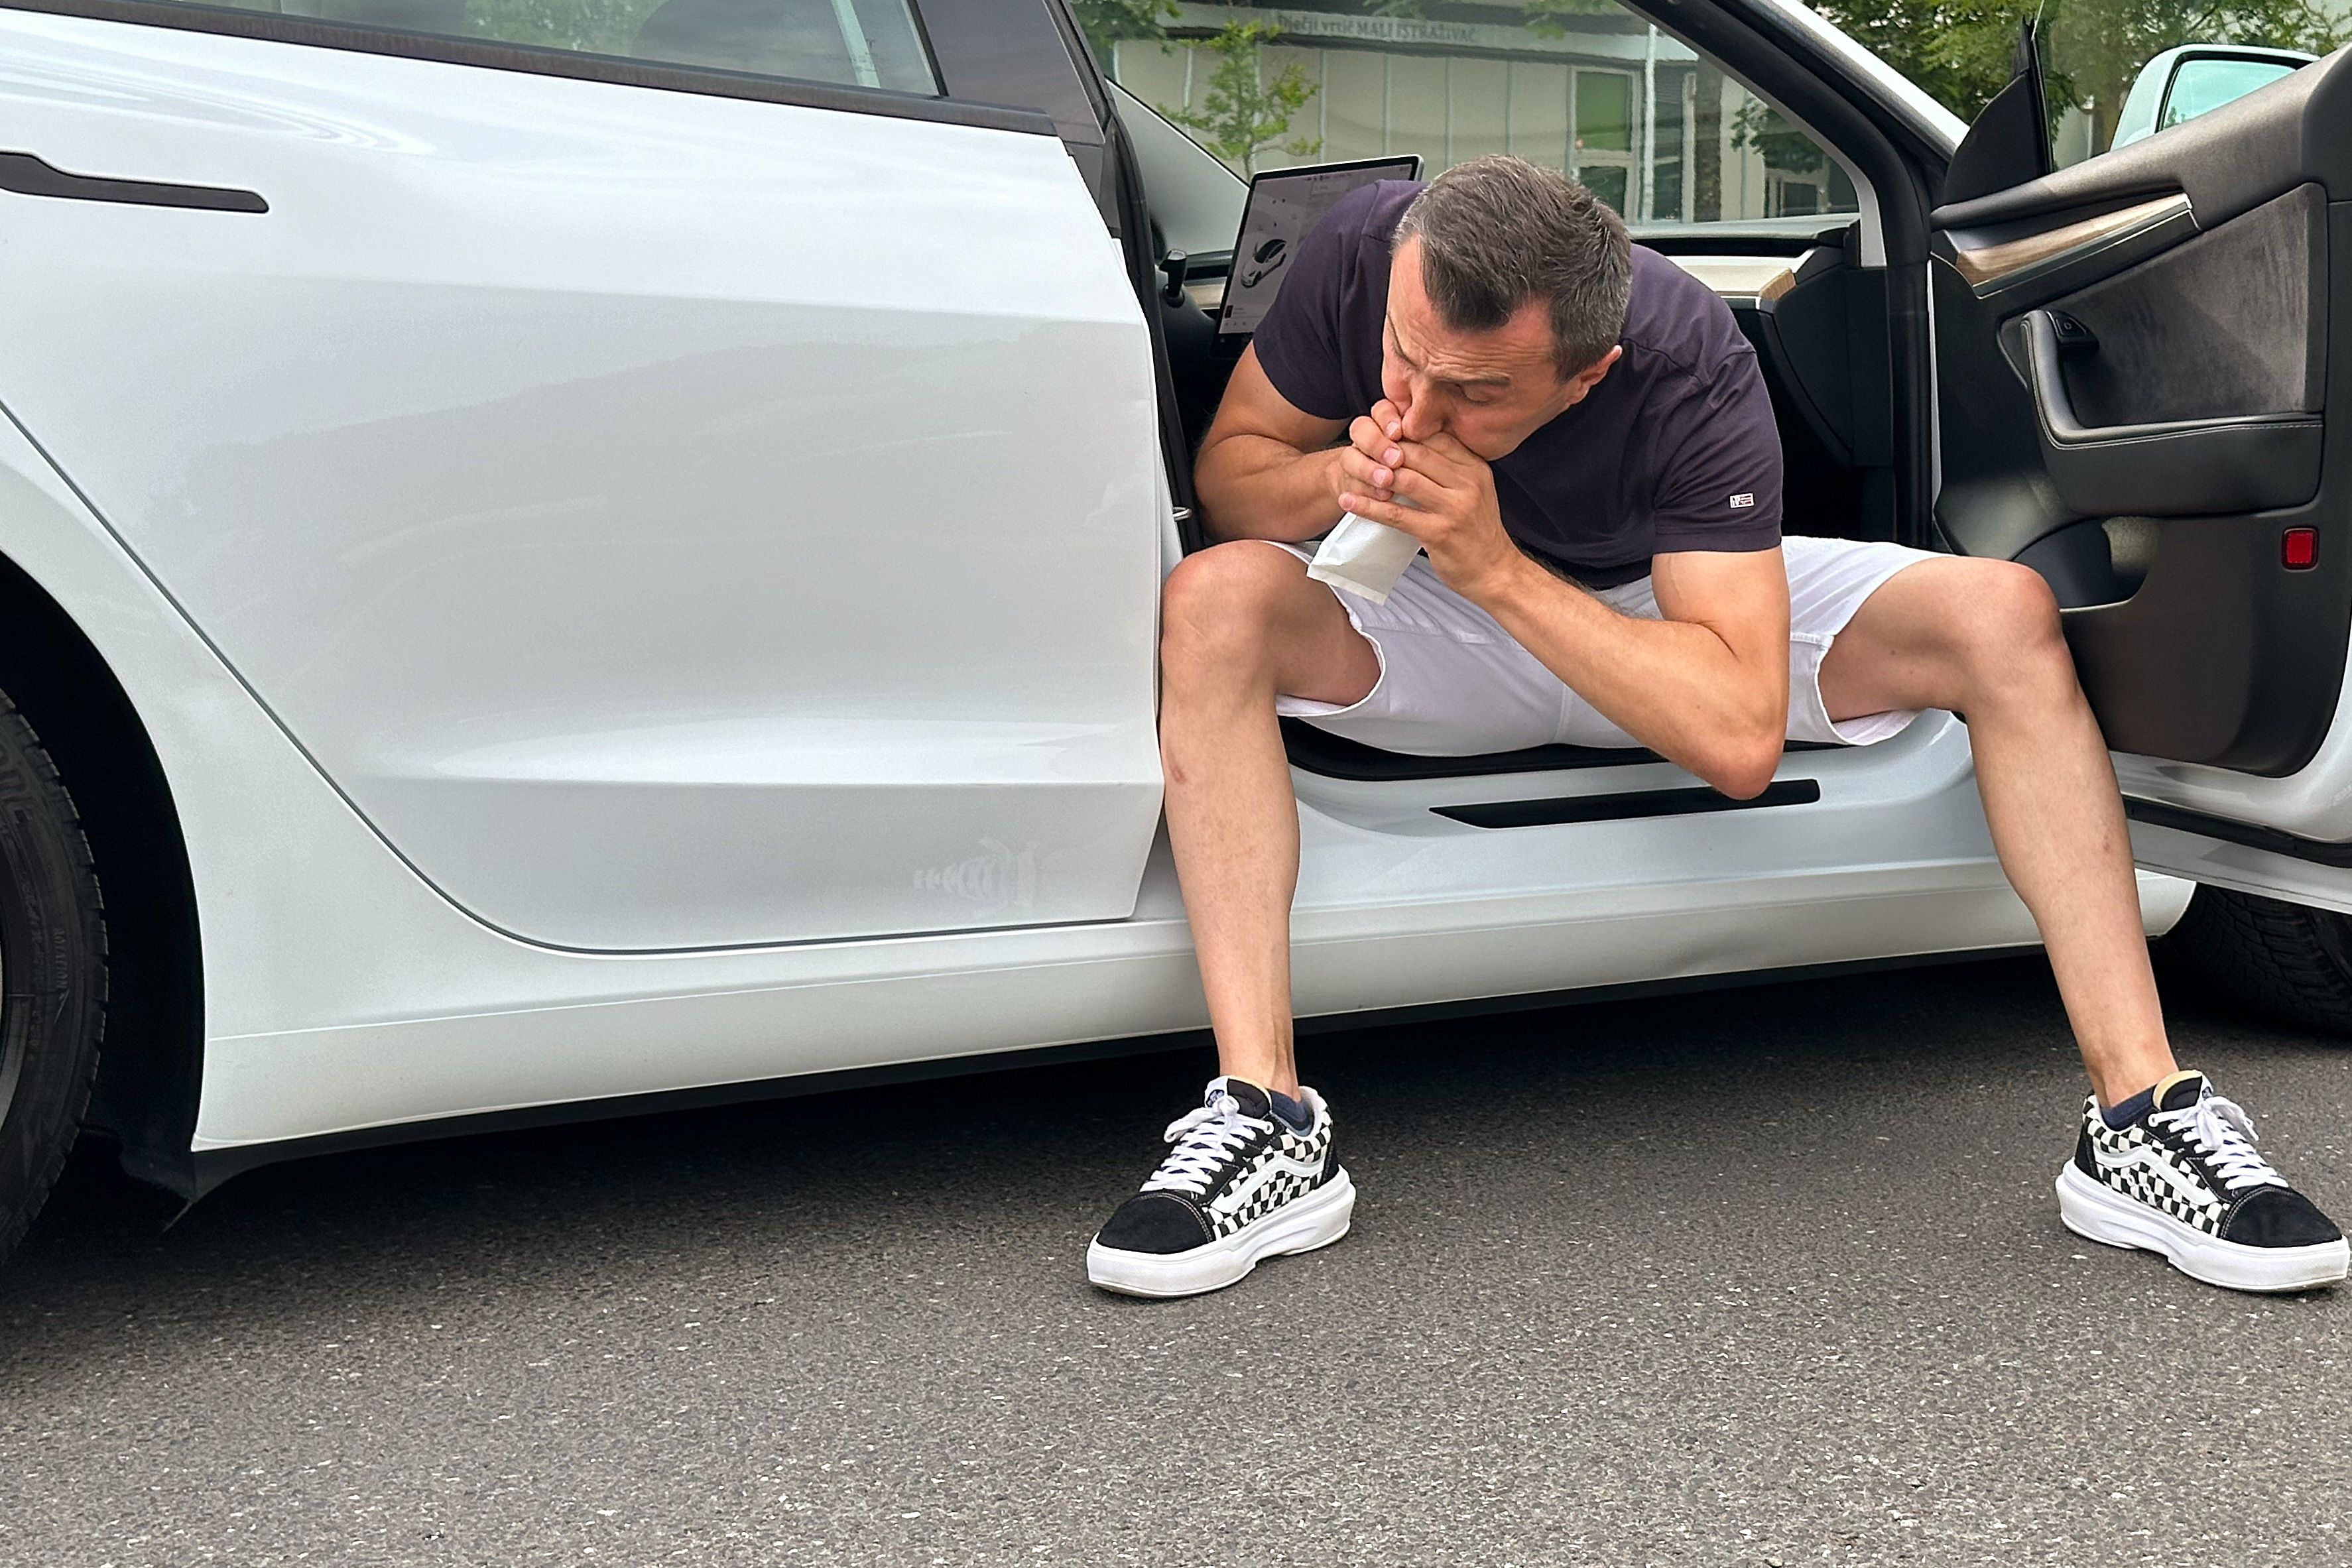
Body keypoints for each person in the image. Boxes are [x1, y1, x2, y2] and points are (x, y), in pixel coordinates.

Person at [1082, 156, 2347, 1300]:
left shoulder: (1686, 351)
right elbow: (1231, 476)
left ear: (1589, 373)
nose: (1415, 399)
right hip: (1431, 608)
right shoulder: (1373, 247)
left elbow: (1735, 736)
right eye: (1402, 358)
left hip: (1650, 603)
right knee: (1214, 604)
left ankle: (2139, 1114)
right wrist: (1344, 481)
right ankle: (1266, 1115)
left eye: (1471, 393)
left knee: (2002, 612)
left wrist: (1499, 565)